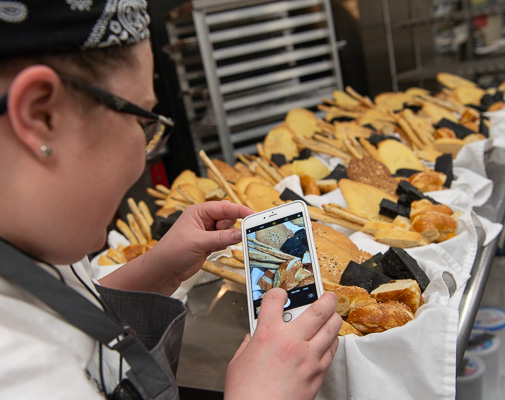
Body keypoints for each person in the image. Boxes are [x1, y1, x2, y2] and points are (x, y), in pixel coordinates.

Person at [0, 2, 342, 399]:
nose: (140, 156)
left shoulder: (31, 236)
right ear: (42, 114)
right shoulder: (18, 371)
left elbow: (59, 312)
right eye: (143, 119)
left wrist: (156, 270)